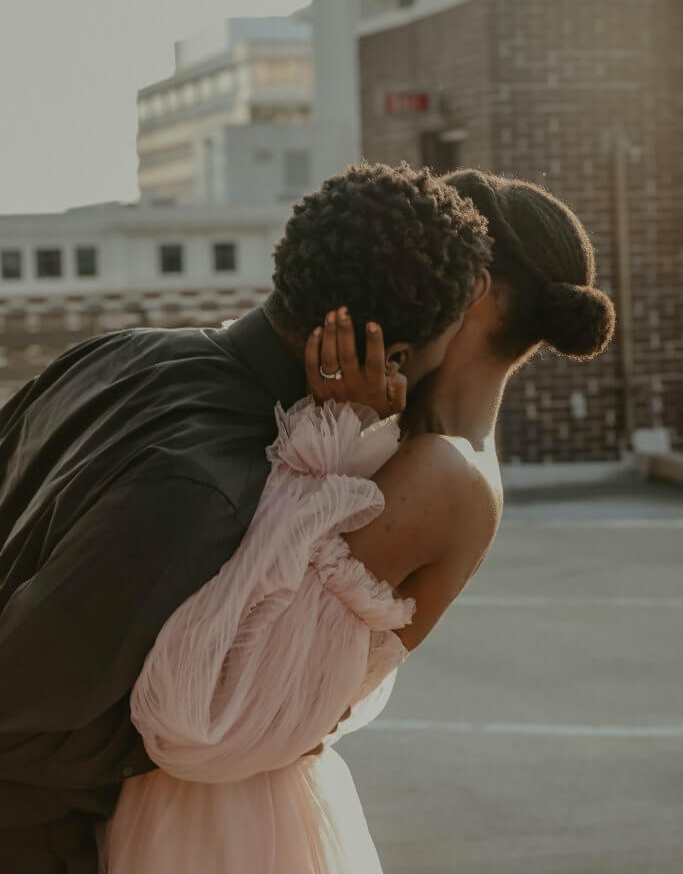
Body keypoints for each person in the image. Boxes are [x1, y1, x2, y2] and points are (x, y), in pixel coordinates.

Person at [99, 168, 615, 872]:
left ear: (469, 288)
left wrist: (338, 428)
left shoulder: (440, 472)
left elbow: (220, 679)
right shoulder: (423, 439)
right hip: (221, 803)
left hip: (219, 823)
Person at [0, 162, 491, 873]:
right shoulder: (210, 488)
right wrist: (260, 726)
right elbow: (26, 714)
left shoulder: (115, 352)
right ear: (391, 354)